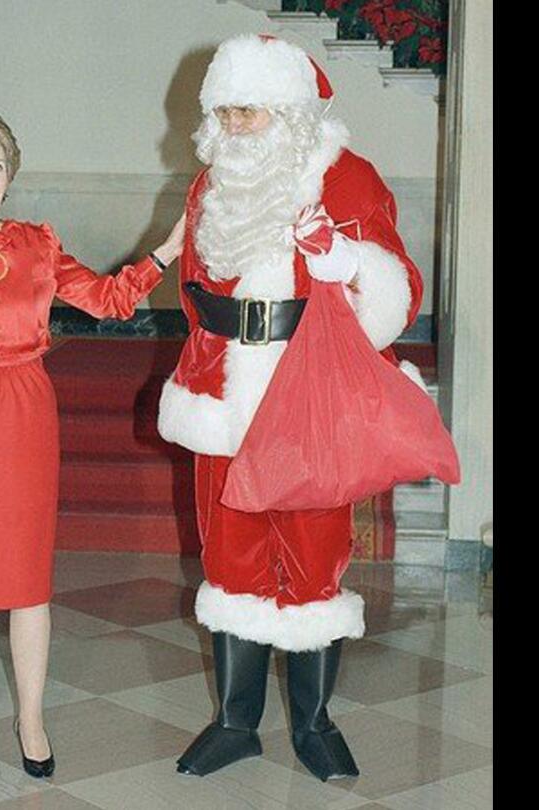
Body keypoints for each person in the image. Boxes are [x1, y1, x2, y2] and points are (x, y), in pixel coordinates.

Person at [160, 35, 426, 781]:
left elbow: (399, 288)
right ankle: (235, 723)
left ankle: (314, 724)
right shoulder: (210, 184)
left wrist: (339, 261)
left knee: (312, 557)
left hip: (308, 390)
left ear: (291, 112)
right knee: (230, 551)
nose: (237, 127)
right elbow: (194, 287)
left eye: (251, 110)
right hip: (220, 392)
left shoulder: (347, 179)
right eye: (227, 111)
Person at [0, 106, 185, 779]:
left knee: (29, 580)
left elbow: (111, 300)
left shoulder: (36, 244)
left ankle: (31, 715)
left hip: (27, 409)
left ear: (9, 176)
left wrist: (165, 254)